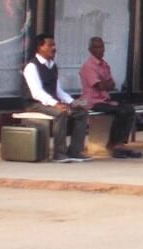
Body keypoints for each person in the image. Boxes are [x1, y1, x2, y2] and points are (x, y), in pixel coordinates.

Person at [22, 32, 91, 162]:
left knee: (81, 113)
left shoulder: (53, 66)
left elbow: (58, 90)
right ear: (40, 47)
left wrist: (73, 102)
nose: (54, 48)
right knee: (60, 113)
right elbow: (36, 92)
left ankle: (75, 151)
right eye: (50, 45)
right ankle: (59, 153)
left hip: (50, 102)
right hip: (34, 104)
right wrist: (55, 103)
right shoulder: (31, 66)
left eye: (54, 45)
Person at [79, 37, 141, 159]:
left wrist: (105, 84)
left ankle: (120, 143)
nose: (100, 50)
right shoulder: (88, 66)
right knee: (121, 111)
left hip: (105, 99)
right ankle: (113, 144)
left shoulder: (105, 65)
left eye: (102, 46)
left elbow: (111, 85)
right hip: (93, 101)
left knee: (129, 109)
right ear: (90, 50)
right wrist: (104, 84)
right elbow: (100, 85)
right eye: (97, 47)